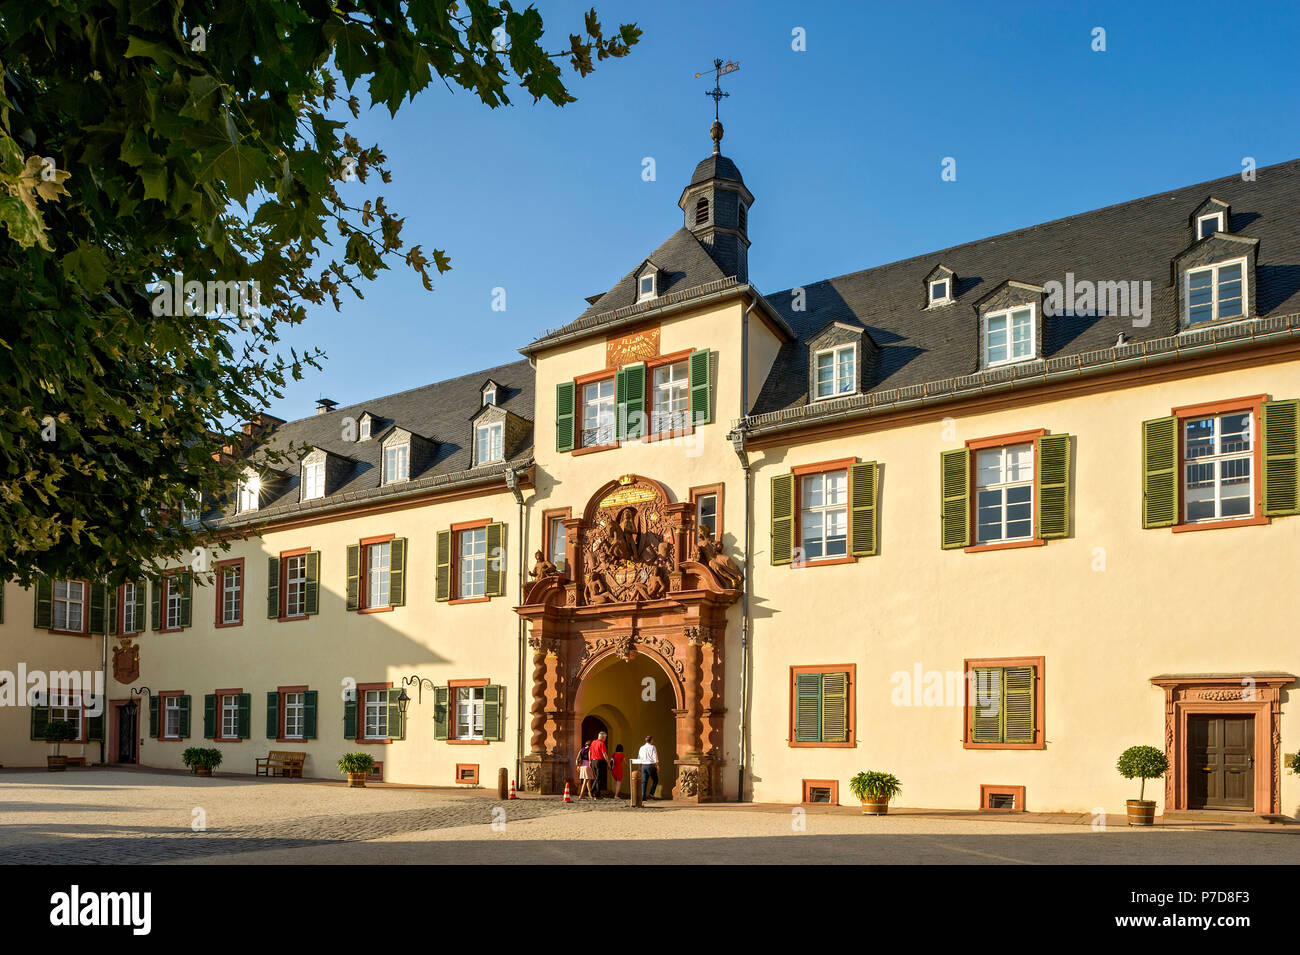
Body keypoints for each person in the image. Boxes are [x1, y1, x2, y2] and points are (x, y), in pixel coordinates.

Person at [637, 735, 659, 801]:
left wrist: (639, 766)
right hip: (650, 765)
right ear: (651, 740)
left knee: (644, 781)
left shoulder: (641, 747)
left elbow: (639, 757)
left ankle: (643, 796)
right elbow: (655, 756)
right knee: (655, 780)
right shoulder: (653, 747)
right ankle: (651, 793)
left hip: (644, 765)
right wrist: (657, 765)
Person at [589, 731, 610, 797]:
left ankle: (597, 794)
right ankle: (591, 790)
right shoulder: (601, 743)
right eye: (605, 737)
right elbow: (604, 754)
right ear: (603, 737)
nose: (605, 739)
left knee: (597, 778)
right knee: (598, 777)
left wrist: (590, 760)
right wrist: (608, 762)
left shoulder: (593, 742)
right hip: (599, 761)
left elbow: (589, 752)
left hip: (593, 761)